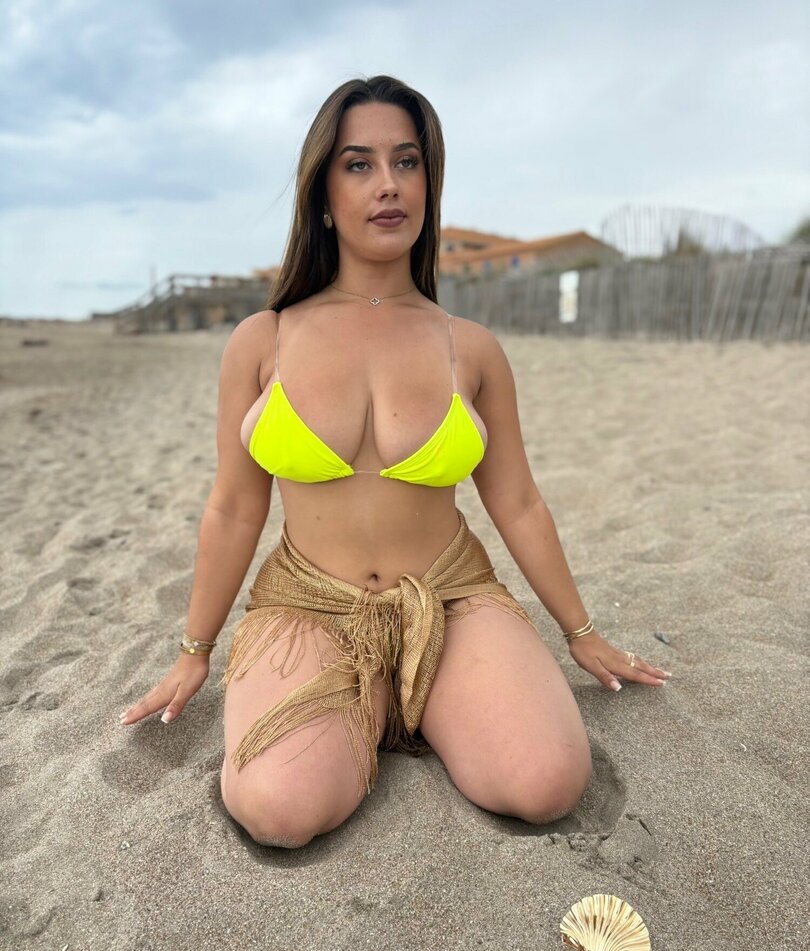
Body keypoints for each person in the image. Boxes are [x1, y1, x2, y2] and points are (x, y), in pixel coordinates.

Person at [119, 74, 672, 848]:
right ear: (323, 193)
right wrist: (194, 652)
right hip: (309, 605)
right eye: (359, 164)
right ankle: (376, 704)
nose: (388, 184)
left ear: (428, 182)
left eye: (406, 162)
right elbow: (236, 508)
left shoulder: (469, 347)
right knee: (278, 810)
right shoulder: (263, 340)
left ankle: (406, 701)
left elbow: (517, 502)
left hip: (450, 599)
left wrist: (580, 630)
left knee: (546, 785)